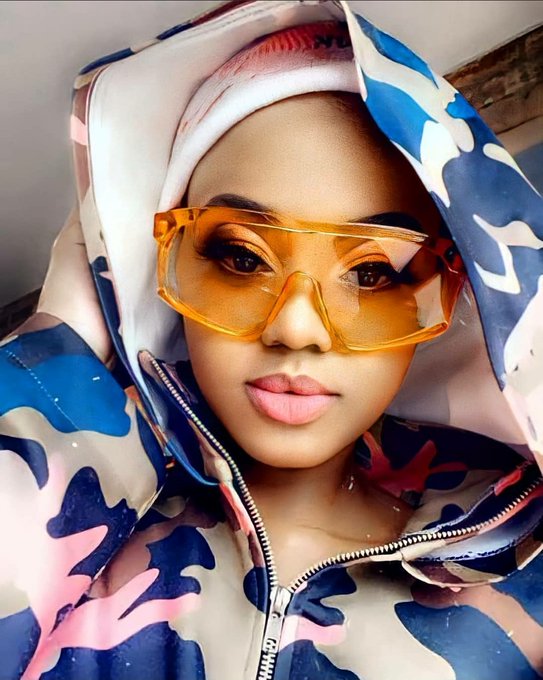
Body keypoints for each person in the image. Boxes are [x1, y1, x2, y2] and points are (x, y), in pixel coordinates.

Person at [1, 2, 542, 679]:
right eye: (241, 257)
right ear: (163, 268)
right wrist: (63, 358)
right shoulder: (82, 530)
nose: (296, 328)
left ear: (454, 294)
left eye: (372, 272)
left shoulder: (524, 583)